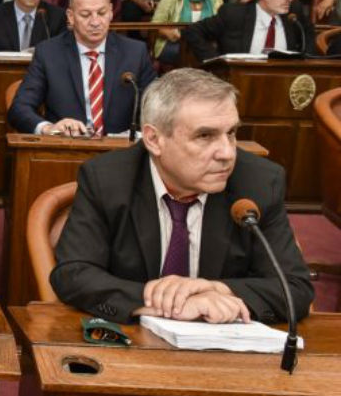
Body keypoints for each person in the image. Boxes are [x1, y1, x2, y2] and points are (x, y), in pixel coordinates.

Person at [50, 68, 314, 324]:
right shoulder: (108, 179)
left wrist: (215, 290)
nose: (227, 153)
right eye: (205, 135)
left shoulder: (259, 182)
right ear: (154, 139)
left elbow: (295, 288)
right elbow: (74, 274)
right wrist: (166, 303)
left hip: (224, 346)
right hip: (130, 342)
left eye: (231, 133)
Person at [8, 0, 157, 136]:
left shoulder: (135, 52)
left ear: (111, 12)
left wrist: (139, 134)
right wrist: (49, 128)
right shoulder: (48, 53)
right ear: (71, 17)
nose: (95, 22)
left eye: (101, 13)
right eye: (86, 15)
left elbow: (157, 108)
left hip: (120, 147)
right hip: (67, 146)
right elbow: (19, 108)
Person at [182, 0, 318, 60]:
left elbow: (309, 33)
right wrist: (215, 61)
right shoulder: (234, 14)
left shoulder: (294, 11)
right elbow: (193, 31)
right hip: (239, 81)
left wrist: (306, 62)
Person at [151, 0, 224, 65]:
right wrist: (169, 33)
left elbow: (222, 26)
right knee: (190, 53)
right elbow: (156, 22)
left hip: (206, 43)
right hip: (175, 42)